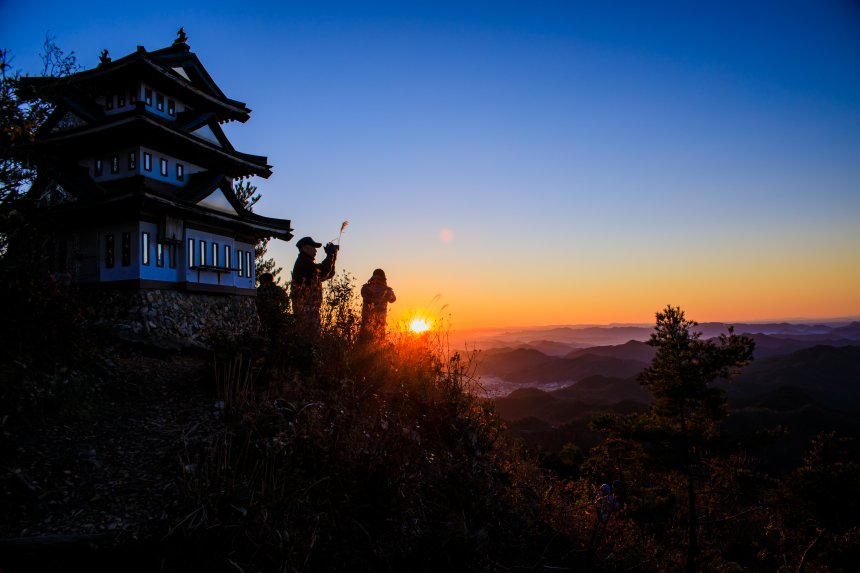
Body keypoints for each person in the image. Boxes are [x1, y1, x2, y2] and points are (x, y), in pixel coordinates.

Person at [290, 236, 338, 335]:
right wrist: (330, 255)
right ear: (304, 248)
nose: (316, 250)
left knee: (310, 336)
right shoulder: (304, 263)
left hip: (308, 307)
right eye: (313, 247)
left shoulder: (305, 262)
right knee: (310, 337)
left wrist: (333, 256)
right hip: (305, 307)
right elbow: (323, 272)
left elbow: (328, 274)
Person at [359, 268, 396, 342]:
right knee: (379, 341)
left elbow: (363, 295)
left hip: (366, 320)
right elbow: (393, 299)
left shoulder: (365, 287)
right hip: (380, 322)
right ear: (384, 277)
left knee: (363, 341)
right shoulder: (387, 290)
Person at [256, 272, 289, 338]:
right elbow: (286, 301)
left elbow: (286, 301)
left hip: (267, 317)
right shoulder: (277, 289)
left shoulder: (259, 290)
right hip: (270, 317)